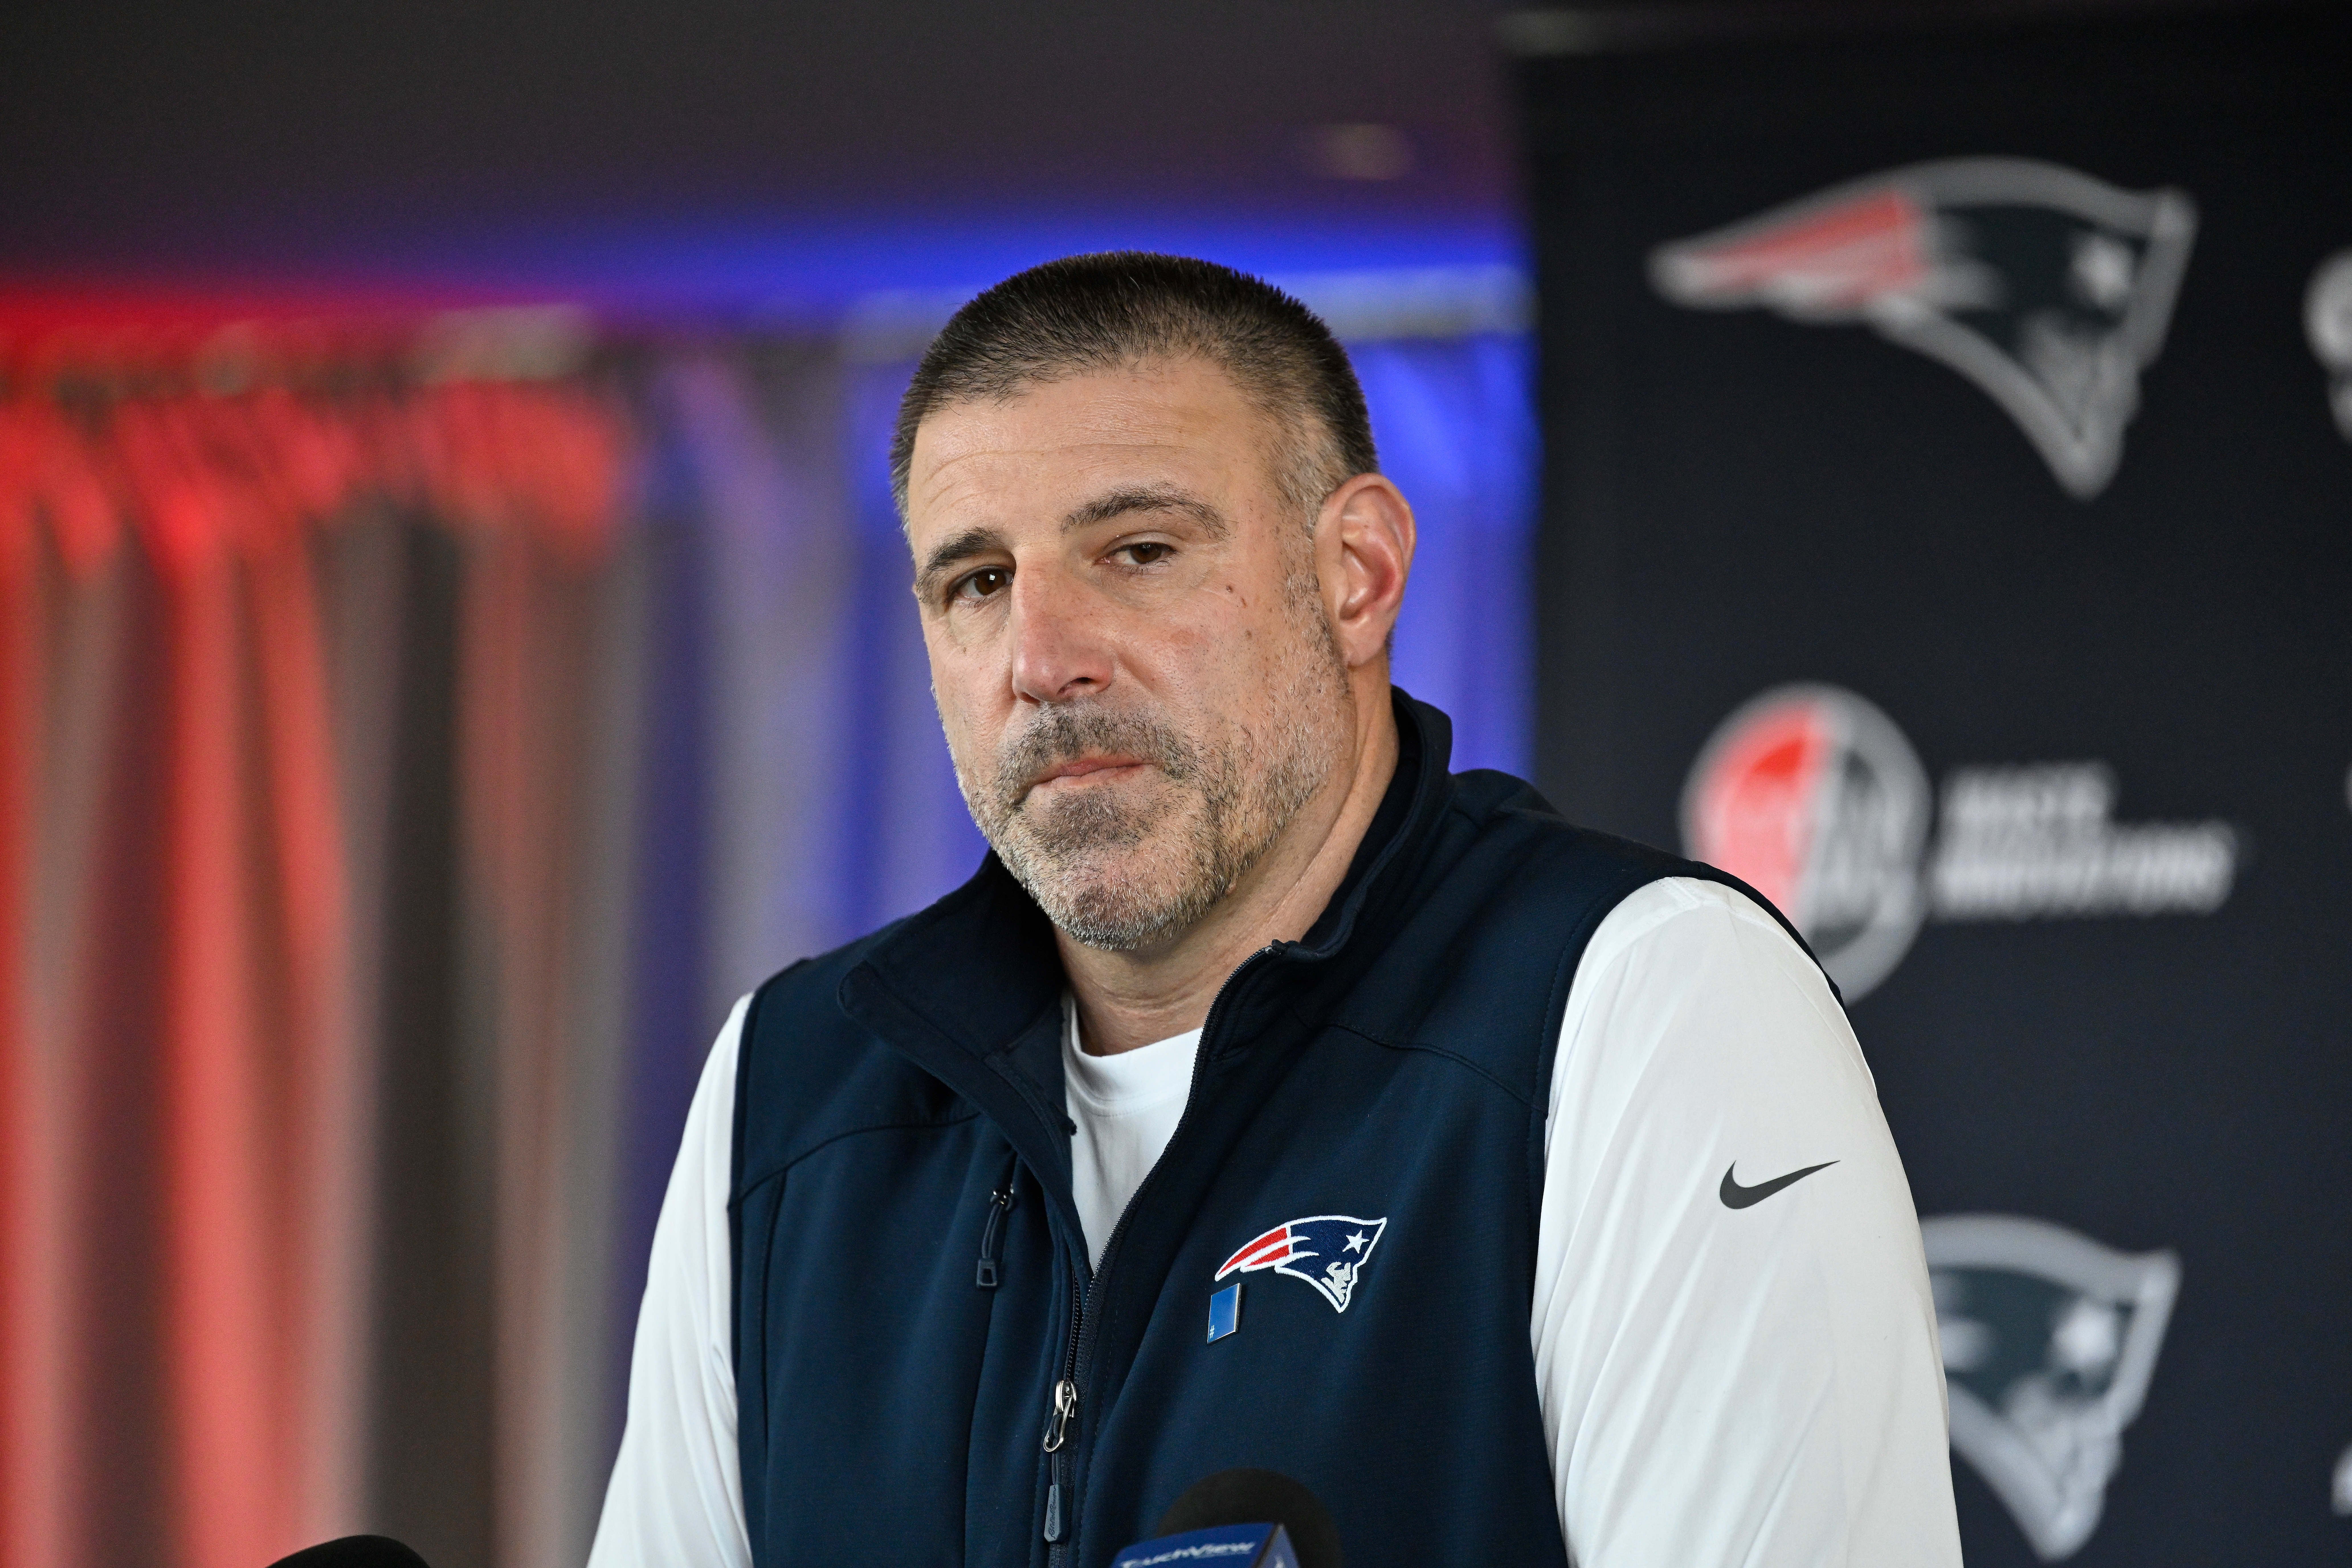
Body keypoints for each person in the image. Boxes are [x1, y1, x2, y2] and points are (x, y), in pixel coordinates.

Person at [587, 253, 1961, 1567]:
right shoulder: (791, 1087)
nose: (1041, 658)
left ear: (1354, 573)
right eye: (979, 581)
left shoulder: (1644, 1002)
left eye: (1136, 549)